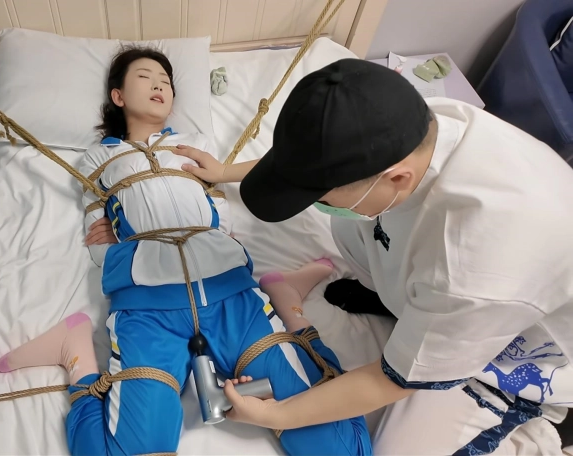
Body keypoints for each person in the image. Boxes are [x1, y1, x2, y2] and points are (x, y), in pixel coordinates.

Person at [173, 57, 573, 455]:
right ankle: (397, 300)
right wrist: (224, 172)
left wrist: (277, 414)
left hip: (515, 352)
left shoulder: (470, 268)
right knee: (349, 224)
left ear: (397, 177)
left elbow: (390, 380)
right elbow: (309, 160)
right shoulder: (404, 121)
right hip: (457, 284)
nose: (320, 205)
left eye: (323, 197)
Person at [0, 47, 372, 455]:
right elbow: (96, 226)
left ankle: (288, 306)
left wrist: (218, 235)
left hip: (233, 300)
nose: (159, 85)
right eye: (145, 76)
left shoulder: (194, 145)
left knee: (338, 447)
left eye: (166, 81)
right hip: (148, 311)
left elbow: (219, 210)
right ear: (118, 96)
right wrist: (114, 251)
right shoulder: (98, 157)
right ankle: (76, 352)